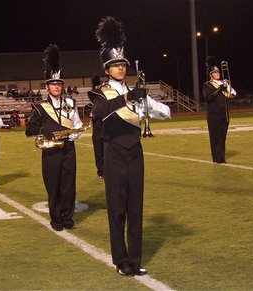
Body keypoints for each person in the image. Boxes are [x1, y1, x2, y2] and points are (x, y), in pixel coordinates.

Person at [91, 16, 171, 277]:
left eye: (123, 65)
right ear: (107, 69)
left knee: (136, 208)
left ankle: (135, 261)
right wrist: (125, 98)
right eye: (115, 66)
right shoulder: (100, 93)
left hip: (136, 152)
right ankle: (121, 261)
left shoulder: (136, 90)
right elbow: (99, 113)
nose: (120, 69)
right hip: (113, 152)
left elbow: (165, 113)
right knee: (117, 210)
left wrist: (148, 102)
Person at [25, 44, 83, 231]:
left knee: (68, 185)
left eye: (59, 84)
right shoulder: (40, 107)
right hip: (51, 151)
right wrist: (45, 133)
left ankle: (67, 217)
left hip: (68, 149)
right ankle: (56, 219)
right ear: (47, 86)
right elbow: (30, 129)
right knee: (54, 185)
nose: (56, 87)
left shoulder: (70, 103)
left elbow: (78, 123)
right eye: (53, 84)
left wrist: (76, 133)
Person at [202, 56, 236, 164]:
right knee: (215, 137)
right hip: (214, 115)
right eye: (215, 73)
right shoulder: (207, 85)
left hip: (224, 114)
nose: (217, 74)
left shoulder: (224, 84)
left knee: (222, 137)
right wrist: (219, 89)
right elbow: (208, 98)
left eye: (218, 73)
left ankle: (222, 158)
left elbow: (233, 94)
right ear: (211, 75)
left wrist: (227, 88)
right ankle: (216, 159)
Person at [87, 74, 104, 178]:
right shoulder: (95, 93)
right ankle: (101, 171)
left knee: (100, 150)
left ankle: (102, 171)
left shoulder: (101, 91)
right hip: (98, 124)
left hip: (102, 123)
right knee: (99, 149)